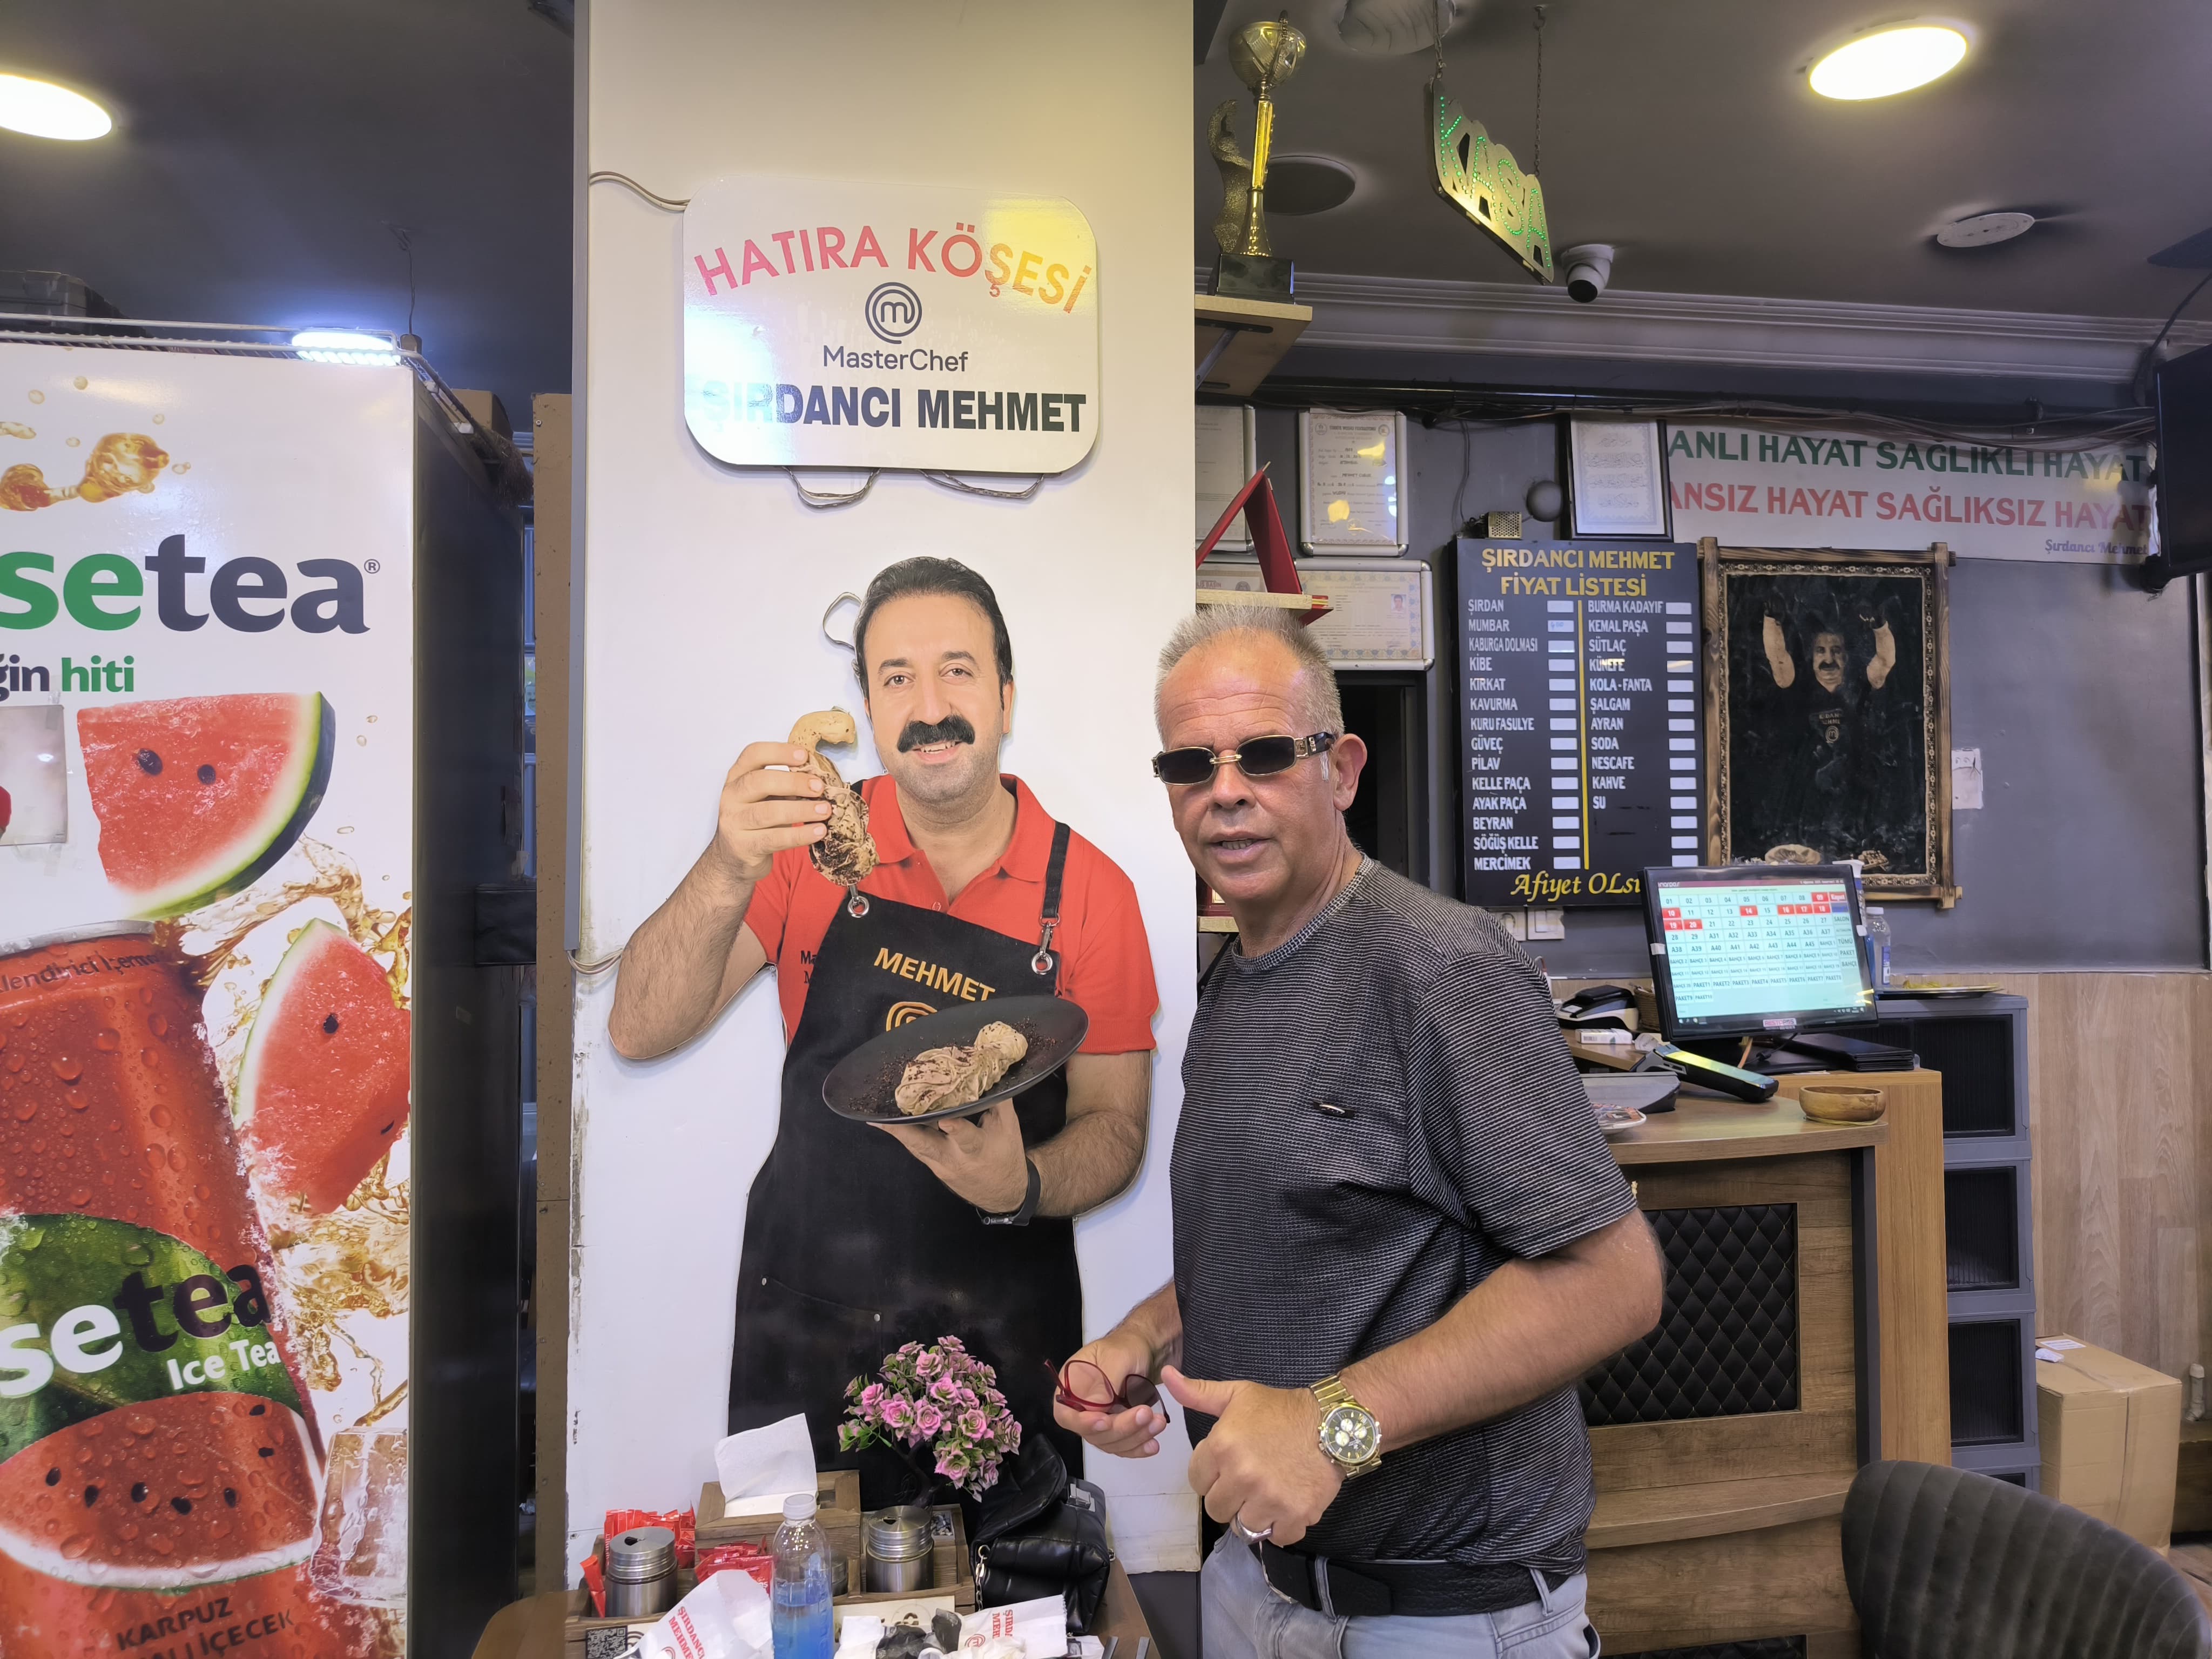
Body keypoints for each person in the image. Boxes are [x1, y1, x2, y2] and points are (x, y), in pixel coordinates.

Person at [1055, 606, 1663, 1659]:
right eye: (1190, 764)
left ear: (1339, 771)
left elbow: (1615, 1282)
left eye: (1263, 755)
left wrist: (1331, 1426)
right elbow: (1299, 1242)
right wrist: (1142, 1340)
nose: (1224, 791)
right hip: (1258, 1582)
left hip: (1438, 1616)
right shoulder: (1236, 980)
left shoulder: (1441, 969)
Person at [609, 556, 1158, 1496]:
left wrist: (1022, 1183)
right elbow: (638, 1028)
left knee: (1007, 1584)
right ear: (867, 707)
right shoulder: (808, 850)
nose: (929, 707)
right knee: (806, 1584)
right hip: (809, 1320)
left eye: (958, 671)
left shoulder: (1093, 894)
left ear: (1007, 697)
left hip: (1003, 1336)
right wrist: (729, 862)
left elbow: (1117, 1130)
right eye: (897, 678)